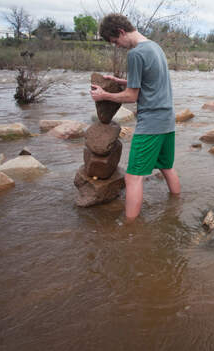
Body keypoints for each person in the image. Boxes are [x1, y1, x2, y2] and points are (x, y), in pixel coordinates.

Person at [90, 13, 180, 221]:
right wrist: (119, 81)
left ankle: (130, 229)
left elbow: (132, 95)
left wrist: (105, 95)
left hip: (151, 124)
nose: (117, 46)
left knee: (133, 178)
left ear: (121, 32)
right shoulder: (154, 47)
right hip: (167, 119)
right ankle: (176, 210)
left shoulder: (136, 54)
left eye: (115, 41)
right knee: (166, 167)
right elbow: (150, 83)